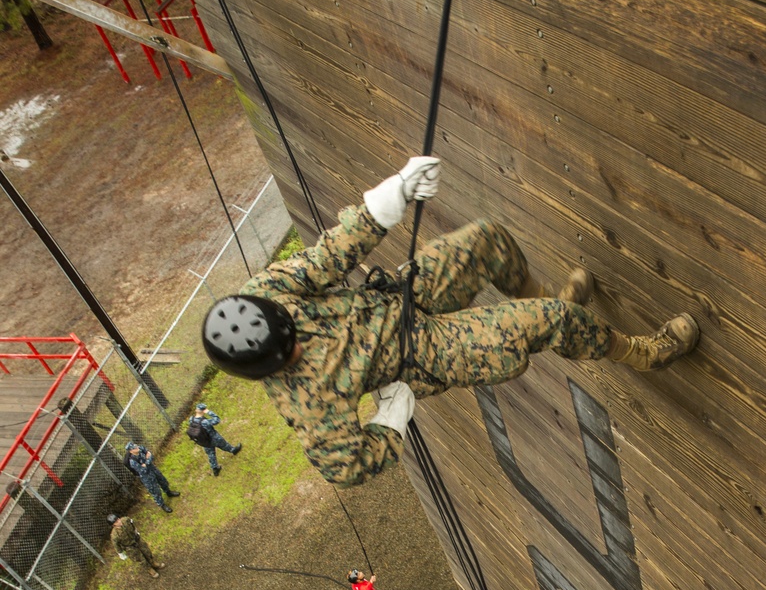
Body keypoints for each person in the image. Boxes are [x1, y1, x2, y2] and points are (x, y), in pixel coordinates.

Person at [201, 157, 700, 487]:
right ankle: (645, 353)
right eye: (289, 354)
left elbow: (328, 257)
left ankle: (552, 302)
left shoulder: (263, 295)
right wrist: (389, 423)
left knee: (487, 240)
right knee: (547, 322)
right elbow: (343, 466)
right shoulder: (304, 399)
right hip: (428, 354)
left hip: (398, 298)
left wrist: (389, 198)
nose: (297, 346)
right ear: (268, 370)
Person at [186, 402, 242, 476]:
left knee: (211, 454)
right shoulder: (205, 422)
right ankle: (233, 450)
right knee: (224, 445)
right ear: (203, 411)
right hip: (214, 438)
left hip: (204, 441)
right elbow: (217, 420)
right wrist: (209, 412)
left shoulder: (191, 419)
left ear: (196, 410)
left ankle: (215, 468)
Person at [124, 442, 180, 514]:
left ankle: (168, 492)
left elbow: (151, 456)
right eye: (134, 448)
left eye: (135, 446)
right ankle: (162, 505)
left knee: (162, 481)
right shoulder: (133, 462)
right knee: (155, 491)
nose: (136, 447)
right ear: (131, 451)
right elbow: (143, 470)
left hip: (153, 469)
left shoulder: (141, 448)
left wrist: (146, 463)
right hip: (147, 477)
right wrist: (147, 461)